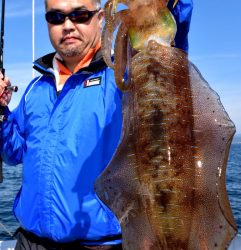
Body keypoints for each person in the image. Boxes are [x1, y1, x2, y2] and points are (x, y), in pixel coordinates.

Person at [0, 0, 193, 249]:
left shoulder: (125, 75)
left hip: (100, 244)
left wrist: (166, 5)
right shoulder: (36, 89)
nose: (67, 25)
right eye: (56, 17)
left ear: (101, 17)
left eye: (80, 15)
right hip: (30, 242)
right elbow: (13, 152)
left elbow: (167, 48)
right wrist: (1, 111)